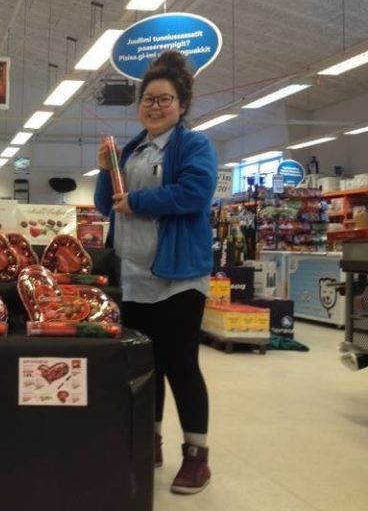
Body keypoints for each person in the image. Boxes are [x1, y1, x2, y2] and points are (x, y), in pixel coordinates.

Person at [94, 50, 217, 494]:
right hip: (134, 275)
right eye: (149, 99)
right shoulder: (132, 149)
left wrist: (141, 202)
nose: (155, 106)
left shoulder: (194, 145)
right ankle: (152, 442)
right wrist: (105, 172)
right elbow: (106, 203)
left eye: (165, 99)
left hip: (178, 276)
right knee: (146, 365)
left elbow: (195, 193)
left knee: (181, 364)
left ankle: (197, 458)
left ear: (182, 105)